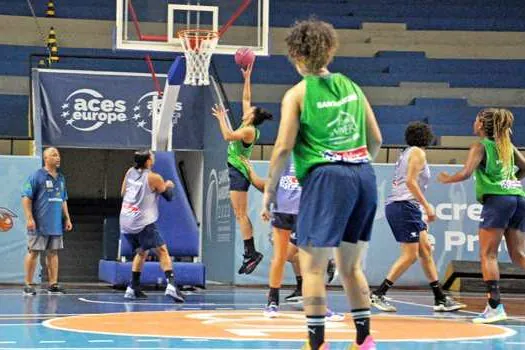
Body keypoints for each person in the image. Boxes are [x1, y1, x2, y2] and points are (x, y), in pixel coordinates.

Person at [261, 19, 382, 350]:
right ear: (330, 51)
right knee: (351, 266)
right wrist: (354, 161)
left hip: (327, 177)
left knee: (312, 267)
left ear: (295, 55)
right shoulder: (353, 87)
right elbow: (376, 139)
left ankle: (316, 344)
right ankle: (364, 340)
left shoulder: (297, 94)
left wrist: (269, 192)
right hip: (363, 175)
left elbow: (284, 147)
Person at [438, 108, 525, 324]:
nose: (473, 122)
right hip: (517, 198)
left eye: (475, 119)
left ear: (481, 125)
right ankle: (495, 307)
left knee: (488, 255)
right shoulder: (507, 146)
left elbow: (466, 172)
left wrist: (448, 179)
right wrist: (511, 180)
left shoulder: (480, 145)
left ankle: (495, 307)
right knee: (518, 254)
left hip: (498, 201)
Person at [370, 122, 466, 312]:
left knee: (426, 251)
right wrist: (427, 206)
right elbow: (410, 182)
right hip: (404, 205)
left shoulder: (407, 152)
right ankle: (378, 294)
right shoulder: (418, 153)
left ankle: (440, 298)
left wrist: (420, 211)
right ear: (427, 137)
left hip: (406, 206)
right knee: (410, 255)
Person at [244, 158, 339, 320]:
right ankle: (272, 302)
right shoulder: (283, 153)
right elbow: (271, 182)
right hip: (283, 211)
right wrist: (265, 206)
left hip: (306, 211)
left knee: (310, 260)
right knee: (280, 257)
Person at [211, 62, 273, 275]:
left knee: (240, 213)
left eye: (250, 111)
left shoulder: (248, 131)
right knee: (239, 212)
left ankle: (251, 253)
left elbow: (227, 136)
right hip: (236, 170)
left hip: (239, 171)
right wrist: (247, 77)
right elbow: (246, 98)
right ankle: (250, 252)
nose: (247, 109)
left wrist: (220, 118)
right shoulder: (248, 123)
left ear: (252, 117)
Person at [119, 150, 184, 303]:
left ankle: (133, 287)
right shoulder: (154, 177)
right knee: (162, 250)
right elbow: (169, 197)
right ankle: (172, 285)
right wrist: (167, 185)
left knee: (142, 251)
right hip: (142, 222)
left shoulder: (129, 172)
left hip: (126, 220)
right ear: (148, 161)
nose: (153, 156)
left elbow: (123, 193)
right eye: (151, 155)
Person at [22, 147, 72, 295]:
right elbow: (26, 198)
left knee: (53, 253)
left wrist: (67, 218)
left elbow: (63, 199)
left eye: (58, 155)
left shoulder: (61, 178)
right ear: (46, 158)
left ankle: (53, 284)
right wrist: (29, 218)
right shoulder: (36, 176)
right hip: (39, 223)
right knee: (34, 252)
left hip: (55, 224)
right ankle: (28, 284)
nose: (58, 158)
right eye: (54, 155)